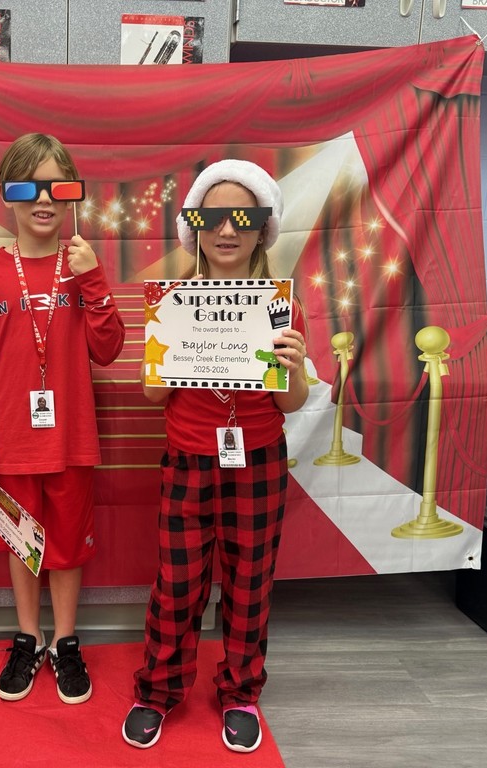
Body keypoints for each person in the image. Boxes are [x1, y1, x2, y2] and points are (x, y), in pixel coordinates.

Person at [122, 159, 309, 753]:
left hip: (257, 460)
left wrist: (294, 365)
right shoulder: (173, 302)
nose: (227, 231)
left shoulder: (283, 309)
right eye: (212, 217)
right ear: (194, 228)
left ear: (262, 231)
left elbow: (292, 403)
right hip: (188, 460)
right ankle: (157, 690)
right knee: (177, 585)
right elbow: (155, 395)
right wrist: (164, 347)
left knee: (250, 583)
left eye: (244, 218)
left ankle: (240, 693)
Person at [0, 133, 126, 705]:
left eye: (57, 186)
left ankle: (66, 639)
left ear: (72, 194)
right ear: (8, 196)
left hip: (73, 439)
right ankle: (27, 638)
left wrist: (95, 281)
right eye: (28, 186)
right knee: (22, 544)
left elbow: (108, 350)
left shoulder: (81, 265)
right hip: (9, 443)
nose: (43, 199)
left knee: (70, 546)